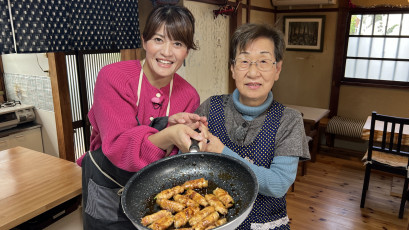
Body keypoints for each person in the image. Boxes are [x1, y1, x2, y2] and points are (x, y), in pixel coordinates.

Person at [76, 5, 207, 229]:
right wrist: (171, 132)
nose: (167, 52)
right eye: (158, 39)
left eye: (178, 43)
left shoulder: (189, 95)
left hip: (156, 193)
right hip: (108, 187)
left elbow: (177, 161)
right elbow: (118, 148)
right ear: (144, 41)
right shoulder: (113, 77)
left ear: (187, 51)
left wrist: (192, 137)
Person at [195, 23, 310, 229]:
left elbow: (277, 185)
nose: (253, 72)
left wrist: (221, 151)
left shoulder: (289, 120)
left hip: (264, 223)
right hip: (211, 222)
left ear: (277, 69)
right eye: (244, 61)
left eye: (264, 61)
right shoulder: (210, 107)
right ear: (232, 68)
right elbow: (189, 162)